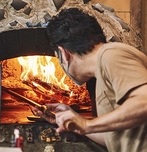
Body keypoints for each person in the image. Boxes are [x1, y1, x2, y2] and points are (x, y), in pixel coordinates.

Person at [34, 8, 147, 152]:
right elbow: (111, 138)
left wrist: (86, 125)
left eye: (58, 60)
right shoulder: (100, 72)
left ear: (64, 53)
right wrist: (76, 123)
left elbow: (144, 102)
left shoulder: (111, 54)